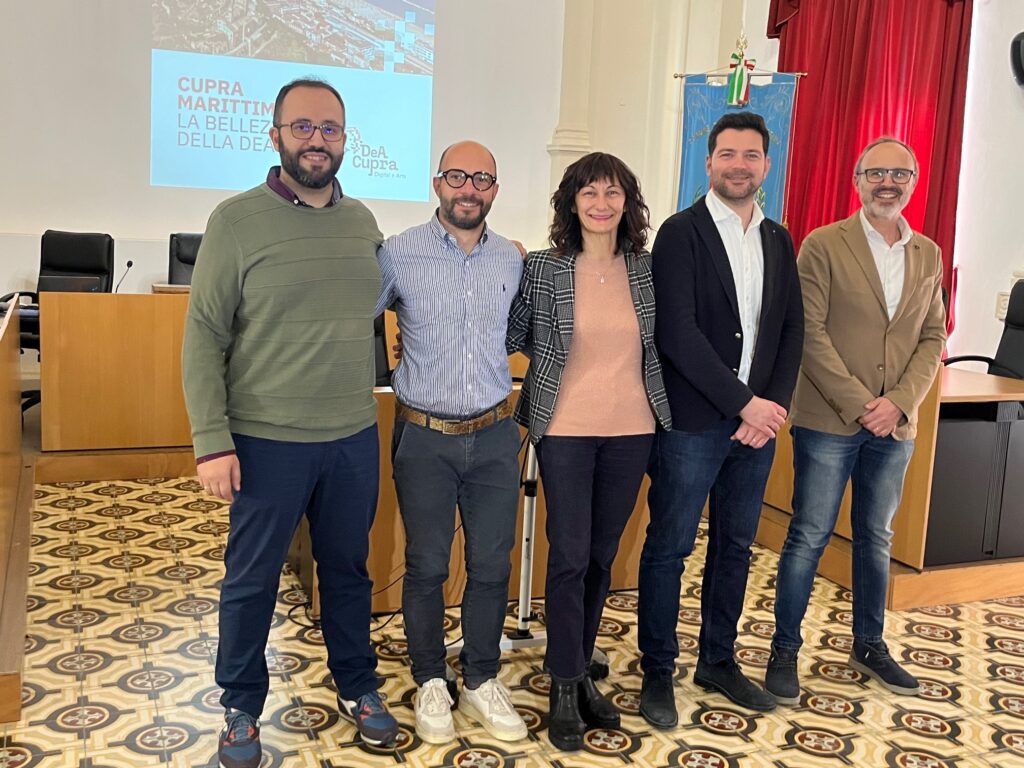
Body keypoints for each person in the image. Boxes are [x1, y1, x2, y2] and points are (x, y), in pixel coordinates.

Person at [182, 79, 399, 768]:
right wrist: (211, 442)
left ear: (344, 140)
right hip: (265, 440)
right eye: (302, 127)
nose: (316, 140)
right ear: (274, 135)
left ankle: (357, 685)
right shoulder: (235, 220)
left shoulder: (362, 223)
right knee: (252, 578)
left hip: (351, 435)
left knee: (348, 570)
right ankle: (241, 705)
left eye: (329, 129)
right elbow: (203, 335)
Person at [637, 112, 804, 725]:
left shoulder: (779, 238)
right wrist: (743, 403)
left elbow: (791, 330)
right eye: (728, 154)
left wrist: (770, 409)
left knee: (734, 547)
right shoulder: (680, 233)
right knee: (670, 548)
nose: (739, 165)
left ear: (766, 165)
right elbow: (677, 333)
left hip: (757, 429)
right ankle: (658, 671)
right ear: (708, 163)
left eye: (751, 155)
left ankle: (717, 660)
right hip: (693, 423)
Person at [766, 137, 947, 704]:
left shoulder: (928, 253)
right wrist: (863, 404)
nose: (887, 182)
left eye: (899, 173)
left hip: (895, 426)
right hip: (830, 420)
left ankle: (869, 645)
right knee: (809, 536)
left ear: (913, 181)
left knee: (876, 538)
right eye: (876, 173)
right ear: (857, 180)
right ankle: (784, 651)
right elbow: (809, 332)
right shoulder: (823, 244)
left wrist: (900, 402)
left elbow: (933, 336)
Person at [506, 152, 673, 750]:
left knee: (602, 556)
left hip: (633, 429)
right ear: (571, 203)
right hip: (565, 429)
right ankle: (563, 684)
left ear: (628, 203)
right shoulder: (544, 267)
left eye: (612, 193)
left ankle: (578, 674)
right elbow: (514, 332)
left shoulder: (647, 268)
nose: (601, 204)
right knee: (570, 556)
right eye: (589, 193)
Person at [376, 140, 528, 745]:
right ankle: (430, 678)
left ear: (495, 189)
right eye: (458, 176)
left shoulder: (511, 259)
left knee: (492, 564)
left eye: (482, 179)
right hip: (424, 437)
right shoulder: (397, 252)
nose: (470, 189)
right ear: (438, 182)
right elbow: (355, 318)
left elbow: (518, 331)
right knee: (426, 565)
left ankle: (482, 677)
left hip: (494, 435)